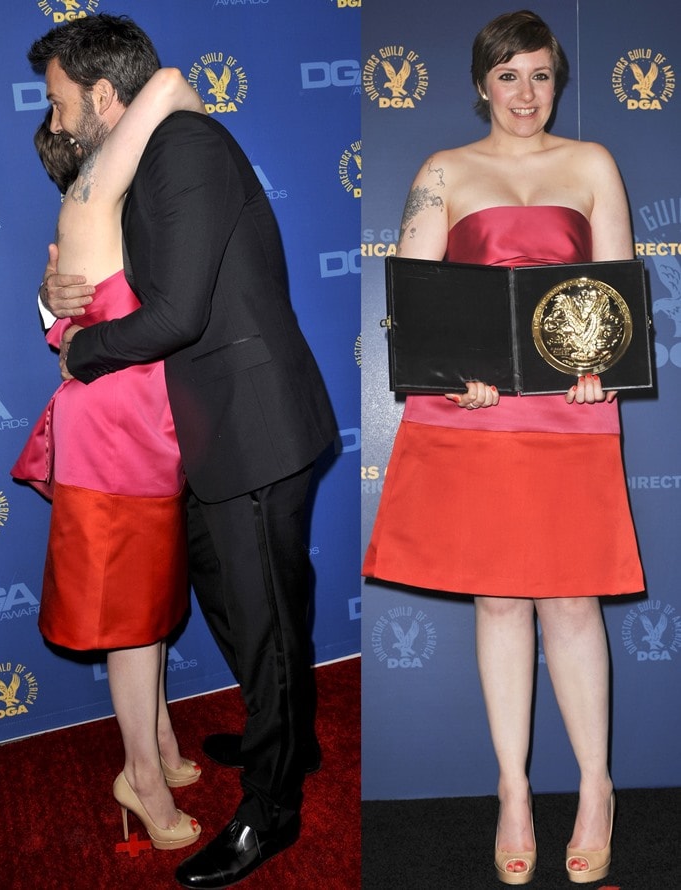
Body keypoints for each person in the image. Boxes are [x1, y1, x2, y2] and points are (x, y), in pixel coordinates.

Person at [27, 13, 337, 889]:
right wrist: (55, 301)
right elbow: (107, 275)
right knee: (238, 607)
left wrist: (78, 355)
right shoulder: (142, 163)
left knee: (266, 616)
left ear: (102, 95)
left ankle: (271, 812)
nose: (55, 122)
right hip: (200, 431)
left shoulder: (185, 145)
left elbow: (176, 317)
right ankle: (287, 732)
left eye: (59, 103)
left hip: (252, 422)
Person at [363, 10, 643, 886]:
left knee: (570, 603)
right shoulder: (442, 171)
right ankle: (513, 793)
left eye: (543, 75)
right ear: (482, 82)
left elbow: (619, 294)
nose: (527, 94)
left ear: (559, 82)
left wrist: (603, 366)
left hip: (571, 412)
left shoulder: (593, 163)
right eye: (510, 75)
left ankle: (597, 788)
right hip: (472, 414)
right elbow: (412, 299)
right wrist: (449, 371)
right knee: (497, 603)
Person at [13, 67, 208, 851]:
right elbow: (168, 84)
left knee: (149, 603)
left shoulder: (117, 218)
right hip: (113, 439)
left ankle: (157, 742)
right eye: (62, 110)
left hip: (143, 434)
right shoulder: (90, 201)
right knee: (133, 617)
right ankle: (142, 776)